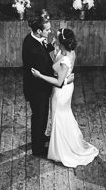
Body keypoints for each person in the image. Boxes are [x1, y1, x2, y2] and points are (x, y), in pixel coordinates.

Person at [31, 27, 99, 167]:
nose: (54, 39)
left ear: (62, 42)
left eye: (56, 38)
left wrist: (40, 76)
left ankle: (62, 150)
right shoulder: (67, 52)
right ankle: (64, 142)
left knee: (59, 116)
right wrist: (56, 51)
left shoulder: (66, 60)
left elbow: (58, 82)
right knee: (64, 115)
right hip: (66, 86)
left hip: (61, 92)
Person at [21, 15, 55, 157]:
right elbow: (44, 68)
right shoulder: (34, 51)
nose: (50, 31)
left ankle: (41, 136)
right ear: (39, 31)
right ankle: (38, 148)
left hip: (38, 87)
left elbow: (43, 51)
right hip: (37, 89)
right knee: (39, 117)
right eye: (47, 29)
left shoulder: (31, 38)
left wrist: (49, 46)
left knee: (43, 115)